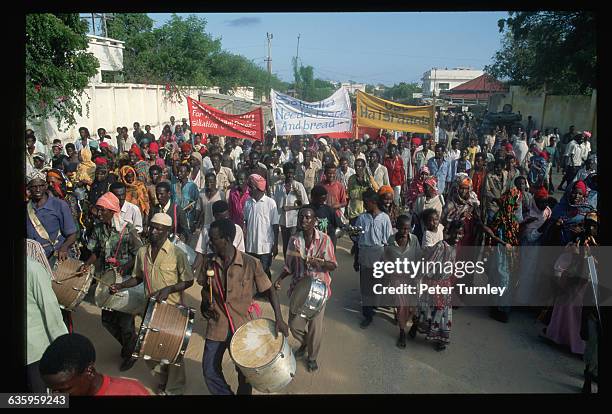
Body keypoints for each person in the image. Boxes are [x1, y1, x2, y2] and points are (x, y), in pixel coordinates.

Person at [198, 218, 288, 395]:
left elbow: (270, 291)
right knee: (209, 370)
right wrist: (205, 304)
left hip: (243, 327)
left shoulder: (251, 263)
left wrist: (279, 318)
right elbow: (204, 290)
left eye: (214, 238)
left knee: (245, 374)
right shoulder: (209, 263)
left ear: (227, 240)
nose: (210, 242)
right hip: (217, 325)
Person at [109, 213, 194, 395]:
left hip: (172, 309)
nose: (153, 231)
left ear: (167, 231)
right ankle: (163, 380)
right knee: (148, 349)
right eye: (151, 227)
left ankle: (175, 388)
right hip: (150, 309)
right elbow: (138, 277)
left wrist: (169, 289)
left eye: (158, 229)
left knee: (172, 350)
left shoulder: (177, 253)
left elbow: (188, 281)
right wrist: (121, 285)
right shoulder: (142, 252)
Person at [78, 192, 143, 371]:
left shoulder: (127, 229)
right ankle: (130, 345)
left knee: (124, 321)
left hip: (124, 281)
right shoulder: (99, 229)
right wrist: (86, 265)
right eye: (98, 210)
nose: (98, 214)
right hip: (106, 279)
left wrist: (125, 266)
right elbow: (94, 252)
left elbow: (140, 254)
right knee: (107, 321)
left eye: (101, 210)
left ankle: (131, 353)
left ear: (112, 210)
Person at [273, 206, 337, 372]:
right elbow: (289, 266)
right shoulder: (294, 240)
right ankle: (305, 343)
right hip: (300, 289)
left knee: (315, 328)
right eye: (301, 217)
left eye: (308, 217)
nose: (304, 220)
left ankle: (312, 357)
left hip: (319, 290)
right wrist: (279, 279)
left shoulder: (324, 239)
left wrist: (321, 263)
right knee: (294, 325)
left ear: (315, 220)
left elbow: (333, 265)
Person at [409, 220, 464, 351]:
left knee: (443, 313)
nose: (457, 237)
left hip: (445, 285)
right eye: (455, 233)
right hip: (433, 284)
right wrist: (418, 279)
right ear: (448, 233)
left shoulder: (454, 248)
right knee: (425, 310)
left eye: (460, 234)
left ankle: (441, 338)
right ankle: (415, 328)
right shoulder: (441, 246)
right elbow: (429, 264)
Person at [39, 333, 150, 395]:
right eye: (51, 390)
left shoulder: (131, 392)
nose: (56, 397)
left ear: (90, 371)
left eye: (64, 390)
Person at [26, 253, 69, 392]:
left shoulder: (32, 268)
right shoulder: (33, 268)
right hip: (34, 352)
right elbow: (52, 313)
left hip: (33, 353)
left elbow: (51, 313)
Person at [354, 189, 393, 329]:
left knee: (378, 283)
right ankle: (368, 314)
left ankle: (375, 303)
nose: (364, 205)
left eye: (366, 202)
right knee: (365, 285)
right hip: (365, 253)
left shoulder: (384, 218)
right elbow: (357, 240)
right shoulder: (362, 218)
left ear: (374, 203)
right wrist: (356, 259)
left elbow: (388, 241)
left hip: (379, 253)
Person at [381, 215, 421, 348]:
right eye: (403, 228)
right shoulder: (391, 240)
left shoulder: (414, 240)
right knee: (401, 306)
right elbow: (386, 259)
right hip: (397, 279)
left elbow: (419, 257)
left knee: (414, 306)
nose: (405, 231)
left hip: (412, 277)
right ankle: (402, 332)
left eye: (408, 228)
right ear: (396, 227)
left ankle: (414, 325)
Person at [26, 176, 78, 266]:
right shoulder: (27, 208)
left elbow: (72, 235)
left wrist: (64, 248)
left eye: (41, 186)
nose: (38, 189)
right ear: (29, 189)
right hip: (32, 258)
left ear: (46, 186)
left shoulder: (59, 205)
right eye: (34, 187)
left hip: (54, 257)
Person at [243, 174, 280, 280]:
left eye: (250, 187)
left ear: (256, 188)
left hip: (265, 247)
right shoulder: (248, 203)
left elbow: (275, 225)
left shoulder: (270, 203)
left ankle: (268, 293)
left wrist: (275, 245)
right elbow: (245, 221)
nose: (248, 189)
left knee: (263, 271)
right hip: (251, 245)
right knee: (252, 272)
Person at [273, 162, 309, 257]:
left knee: (294, 244)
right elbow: (275, 204)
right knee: (285, 244)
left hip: (294, 221)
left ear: (294, 173)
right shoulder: (279, 187)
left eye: (292, 173)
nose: (290, 175)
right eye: (288, 173)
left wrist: (291, 208)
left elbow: (305, 204)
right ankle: (287, 265)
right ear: (284, 173)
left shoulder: (298, 186)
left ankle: (295, 265)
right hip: (283, 221)